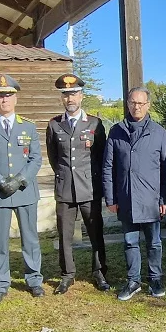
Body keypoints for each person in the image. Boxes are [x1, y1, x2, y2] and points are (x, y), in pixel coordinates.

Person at [0, 74, 44, 304]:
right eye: (0, 96)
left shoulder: (29, 126)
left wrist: (19, 180)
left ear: (15, 99)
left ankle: (34, 279)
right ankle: (0, 284)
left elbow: (35, 159)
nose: (4, 100)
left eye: (8, 96)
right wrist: (0, 182)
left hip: (25, 192)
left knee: (30, 239)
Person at [102, 86, 166, 301]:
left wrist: (164, 198)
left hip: (151, 200)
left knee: (154, 242)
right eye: (132, 102)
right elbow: (108, 167)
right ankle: (133, 280)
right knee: (130, 242)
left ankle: (155, 278)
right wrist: (111, 198)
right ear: (128, 104)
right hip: (127, 198)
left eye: (141, 103)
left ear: (148, 105)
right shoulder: (117, 131)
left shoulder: (159, 132)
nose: (136, 106)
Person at [45, 73, 109, 295]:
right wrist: (65, 177)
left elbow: (101, 158)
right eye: (66, 95)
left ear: (81, 96)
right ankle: (67, 274)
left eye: (73, 94)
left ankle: (100, 271)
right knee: (64, 235)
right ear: (62, 99)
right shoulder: (54, 125)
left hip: (89, 188)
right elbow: (55, 159)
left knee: (95, 233)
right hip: (65, 189)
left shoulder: (95, 123)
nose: (70, 99)